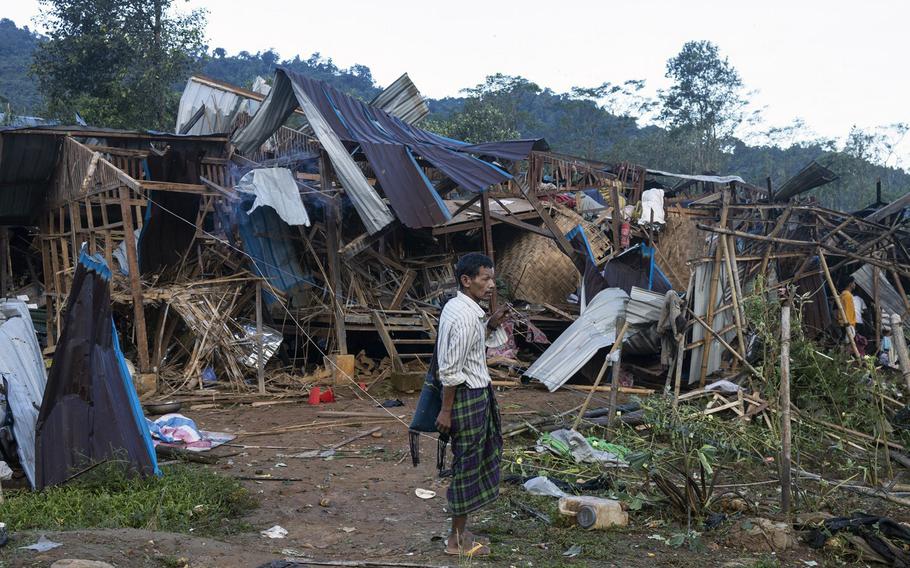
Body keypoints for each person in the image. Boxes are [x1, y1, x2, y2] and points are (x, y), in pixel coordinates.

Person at [435, 253, 508, 557]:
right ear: (466, 281)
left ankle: (460, 532)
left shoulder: (462, 308)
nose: (491, 284)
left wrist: (490, 325)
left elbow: (472, 348)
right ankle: (455, 542)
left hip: (473, 394)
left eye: (492, 278)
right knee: (466, 467)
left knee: (469, 463)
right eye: (485, 278)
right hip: (468, 397)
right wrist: (446, 410)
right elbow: (451, 370)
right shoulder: (465, 317)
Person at [838, 279, 858, 343]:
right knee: (848, 343)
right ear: (850, 284)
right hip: (847, 323)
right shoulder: (848, 296)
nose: (855, 284)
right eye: (854, 283)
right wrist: (850, 324)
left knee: (845, 341)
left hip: (844, 322)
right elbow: (848, 311)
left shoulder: (843, 294)